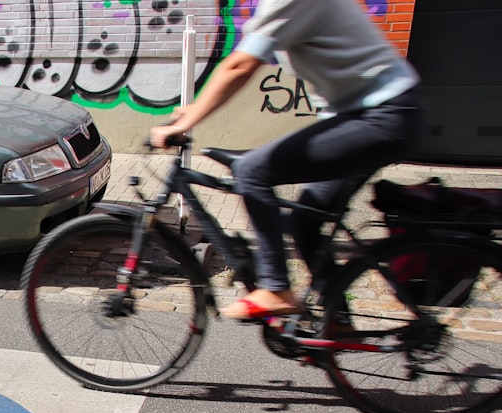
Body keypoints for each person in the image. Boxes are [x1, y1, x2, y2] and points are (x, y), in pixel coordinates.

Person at [150, 0, 425, 319]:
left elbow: (240, 66)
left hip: (379, 115)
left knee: (252, 169)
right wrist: (192, 112)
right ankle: (338, 319)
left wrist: (189, 120)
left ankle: (275, 288)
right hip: (369, 115)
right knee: (305, 223)